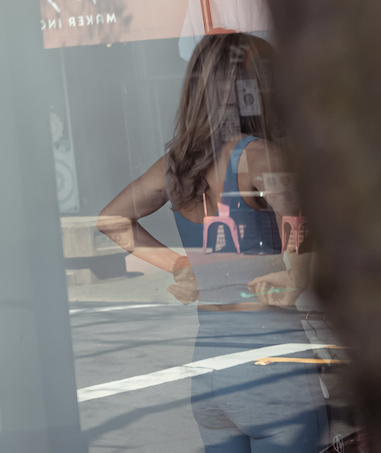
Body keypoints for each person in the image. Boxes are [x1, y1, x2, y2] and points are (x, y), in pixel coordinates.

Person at [99, 32, 327, 453]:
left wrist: (178, 266)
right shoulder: (261, 157)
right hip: (272, 365)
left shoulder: (176, 165)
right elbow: (298, 219)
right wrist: (295, 276)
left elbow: (112, 219)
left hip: (210, 369)